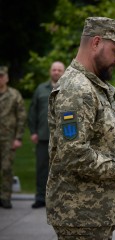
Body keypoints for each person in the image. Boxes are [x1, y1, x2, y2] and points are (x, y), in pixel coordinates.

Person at [46, 17, 115, 239]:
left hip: (92, 216)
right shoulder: (76, 89)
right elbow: (73, 154)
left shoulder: (94, 85)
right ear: (96, 43)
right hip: (80, 217)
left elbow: (103, 140)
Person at [28, 61, 65, 209]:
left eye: (59, 70)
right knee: (42, 168)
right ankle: (40, 198)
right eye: (54, 69)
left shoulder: (68, 88)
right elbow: (32, 112)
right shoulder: (40, 89)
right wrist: (33, 132)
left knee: (61, 169)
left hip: (63, 138)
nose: (56, 72)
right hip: (43, 136)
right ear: (50, 71)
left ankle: (59, 200)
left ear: (64, 72)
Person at [0, 66, 26, 209]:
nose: (0, 79)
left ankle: (5, 197)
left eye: (2, 76)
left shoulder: (14, 95)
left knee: (6, 168)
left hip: (7, 139)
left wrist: (18, 138)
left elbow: (21, 117)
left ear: (7, 78)